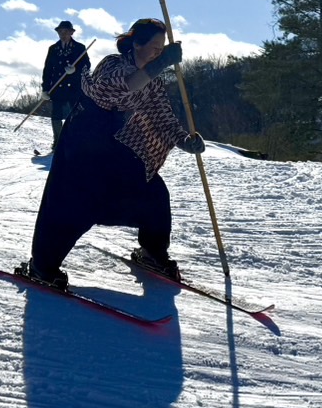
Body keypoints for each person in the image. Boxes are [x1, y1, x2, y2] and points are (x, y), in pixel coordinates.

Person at [18, 18, 204, 290]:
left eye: (161, 48)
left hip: (117, 142)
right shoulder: (112, 65)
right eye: (153, 46)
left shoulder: (153, 81)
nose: (157, 52)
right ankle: (42, 266)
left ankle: (153, 253)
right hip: (83, 140)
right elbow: (124, 86)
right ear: (136, 44)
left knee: (153, 193)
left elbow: (163, 117)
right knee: (73, 202)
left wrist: (186, 142)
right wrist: (159, 65)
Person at [42, 20, 89, 151]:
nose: (63, 34)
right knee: (56, 116)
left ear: (71, 33)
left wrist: (75, 70)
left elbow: (87, 66)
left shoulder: (80, 48)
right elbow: (47, 70)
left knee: (75, 115)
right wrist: (45, 89)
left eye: (66, 32)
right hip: (57, 88)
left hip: (74, 88)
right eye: (61, 32)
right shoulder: (53, 49)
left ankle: (74, 141)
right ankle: (57, 143)